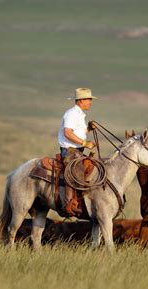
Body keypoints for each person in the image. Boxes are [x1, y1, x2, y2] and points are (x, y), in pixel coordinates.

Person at [58, 87, 97, 215]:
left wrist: (88, 129)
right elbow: (67, 132)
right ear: (81, 100)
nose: (90, 102)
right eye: (89, 99)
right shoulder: (72, 113)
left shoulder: (80, 114)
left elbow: (78, 132)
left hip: (77, 150)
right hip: (69, 150)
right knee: (75, 170)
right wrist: (84, 143)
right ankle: (70, 203)